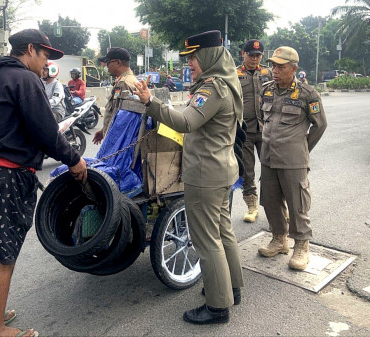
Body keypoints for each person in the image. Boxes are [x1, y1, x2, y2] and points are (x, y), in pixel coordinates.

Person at [0, 29, 87, 337]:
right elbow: (46, 132)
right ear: (30, 49)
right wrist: (74, 159)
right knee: (3, 255)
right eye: (44, 56)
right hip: (6, 176)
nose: (46, 65)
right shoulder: (25, 80)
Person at [134, 30, 244, 325]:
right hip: (221, 170)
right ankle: (232, 287)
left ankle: (218, 306)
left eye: (194, 57)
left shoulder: (212, 89)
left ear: (208, 55)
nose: (190, 63)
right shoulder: (226, 84)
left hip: (205, 174)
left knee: (205, 240)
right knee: (222, 233)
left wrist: (151, 103)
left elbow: (185, 122)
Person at [258, 46, 327, 270]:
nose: (274, 71)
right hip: (268, 158)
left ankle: (301, 245)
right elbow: (263, 119)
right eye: (273, 66)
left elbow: (320, 125)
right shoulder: (267, 90)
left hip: (293, 160)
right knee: (270, 200)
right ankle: (279, 239)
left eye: (281, 66)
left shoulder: (307, 94)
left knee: (297, 204)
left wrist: (302, 148)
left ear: (293, 68)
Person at [236, 39, 272, 223]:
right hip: (246, 131)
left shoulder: (268, 73)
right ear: (243, 54)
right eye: (251, 55)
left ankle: (276, 205)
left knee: (271, 169)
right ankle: (251, 206)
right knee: (248, 171)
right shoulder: (235, 74)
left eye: (258, 55)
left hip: (266, 129)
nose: (254, 59)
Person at [92, 47, 139, 145]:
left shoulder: (123, 83)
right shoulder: (131, 80)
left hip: (117, 142)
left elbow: (118, 115)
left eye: (108, 62)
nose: (106, 66)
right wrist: (103, 130)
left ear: (117, 62)